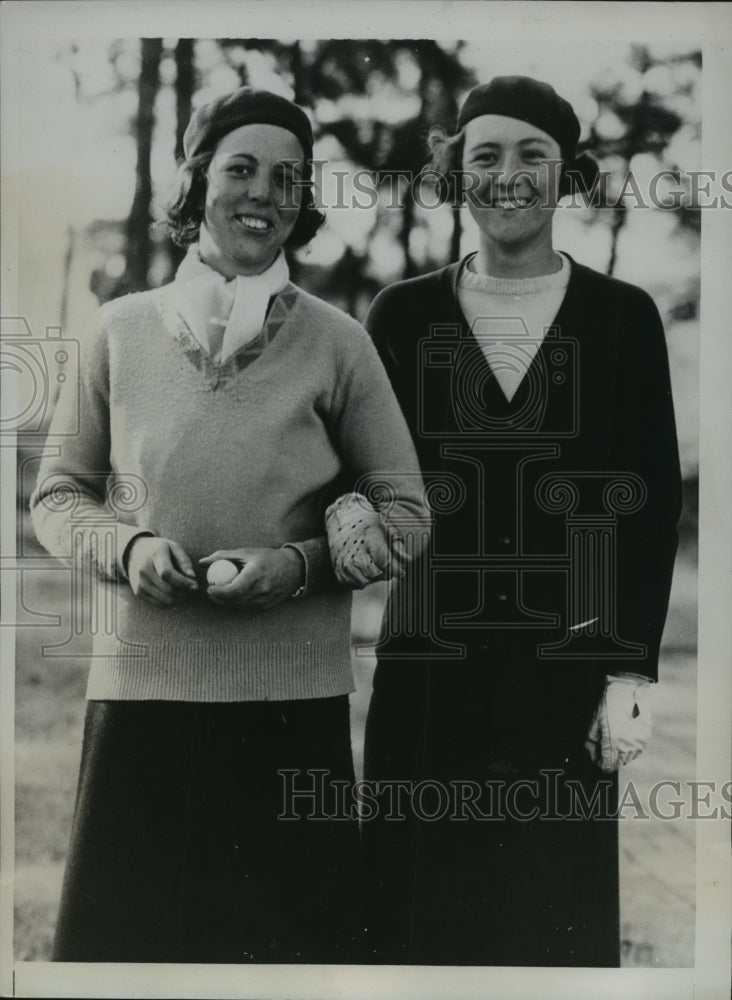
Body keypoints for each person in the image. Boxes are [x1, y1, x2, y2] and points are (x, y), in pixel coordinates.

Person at [30, 86, 430, 964]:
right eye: (240, 168)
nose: (264, 193)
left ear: (304, 199)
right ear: (196, 179)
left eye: (287, 177)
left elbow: (406, 511)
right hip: (141, 703)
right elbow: (58, 495)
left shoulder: (339, 343)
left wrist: (298, 566)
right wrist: (127, 548)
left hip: (290, 712)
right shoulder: (118, 331)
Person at [361, 76, 682, 967]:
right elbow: (361, 476)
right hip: (428, 679)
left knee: (552, 931)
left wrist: (628, 672)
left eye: (532, 154)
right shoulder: (403, 314)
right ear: (455, 171)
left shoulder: (624, 319)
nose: (508, 176)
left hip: (563, 685)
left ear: (565, 173)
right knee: (412, 932)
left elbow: (651, 502)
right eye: (485, 155)